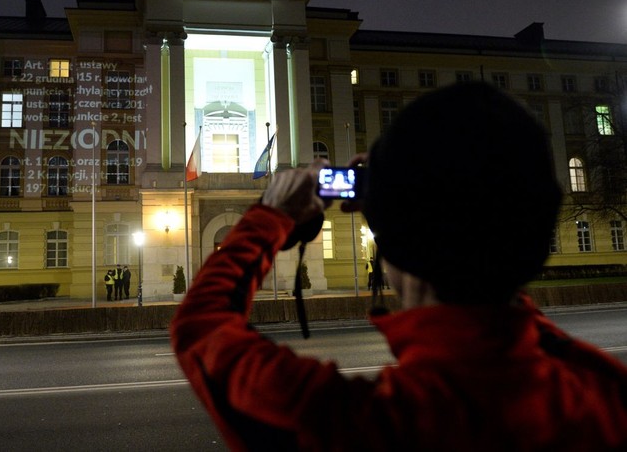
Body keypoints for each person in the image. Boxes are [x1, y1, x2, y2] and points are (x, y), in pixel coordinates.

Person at [170, 82, 627, 450]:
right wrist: (407, 200)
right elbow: (509, 320)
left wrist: (270, 216)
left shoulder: (349, 424)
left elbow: (201, 328)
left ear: (397, 248)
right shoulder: (604, 400)